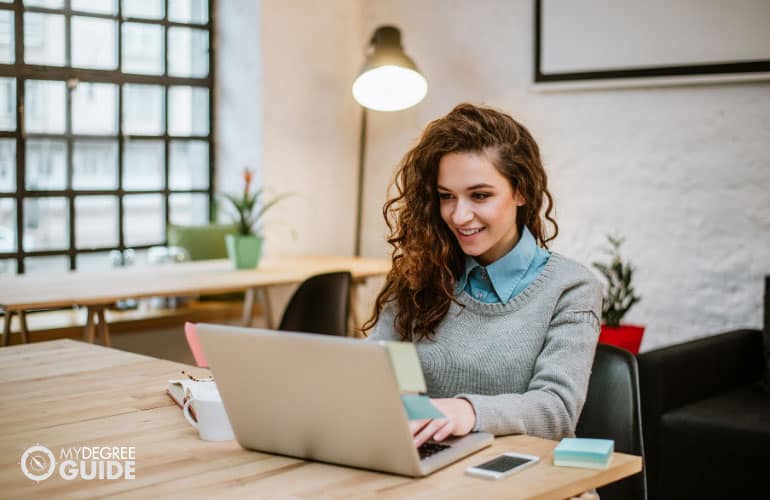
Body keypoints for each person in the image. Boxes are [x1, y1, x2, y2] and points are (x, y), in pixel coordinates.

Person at [364, 103, 602, 449]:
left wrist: (466, 410)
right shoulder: (421, 274)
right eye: (446, 197)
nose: (460, 216)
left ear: (521, 191)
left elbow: (556, 409)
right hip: (435, 471)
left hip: (529, 476)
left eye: (480, 195)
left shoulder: (571, 288)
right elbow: (375, 371)